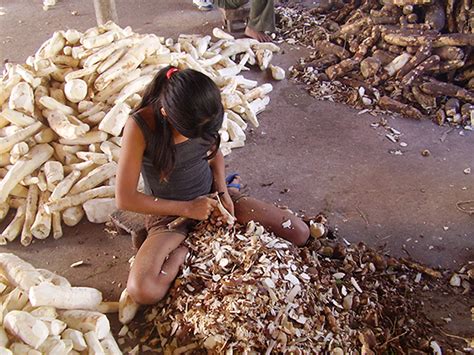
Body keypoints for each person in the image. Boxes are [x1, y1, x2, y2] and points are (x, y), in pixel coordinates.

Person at [116, 66, 309, 305]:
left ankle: (222, 208)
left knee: (299, 233)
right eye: (190, 134)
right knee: (142, 290)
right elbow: (124, 198)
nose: (201, 137)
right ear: (166, 113)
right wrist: (187, 209)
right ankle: (185, 252)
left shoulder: (203, 109)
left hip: (214, 202)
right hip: (170, 216)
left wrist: (222, 191)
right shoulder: (140, 126)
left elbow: (214, 153)